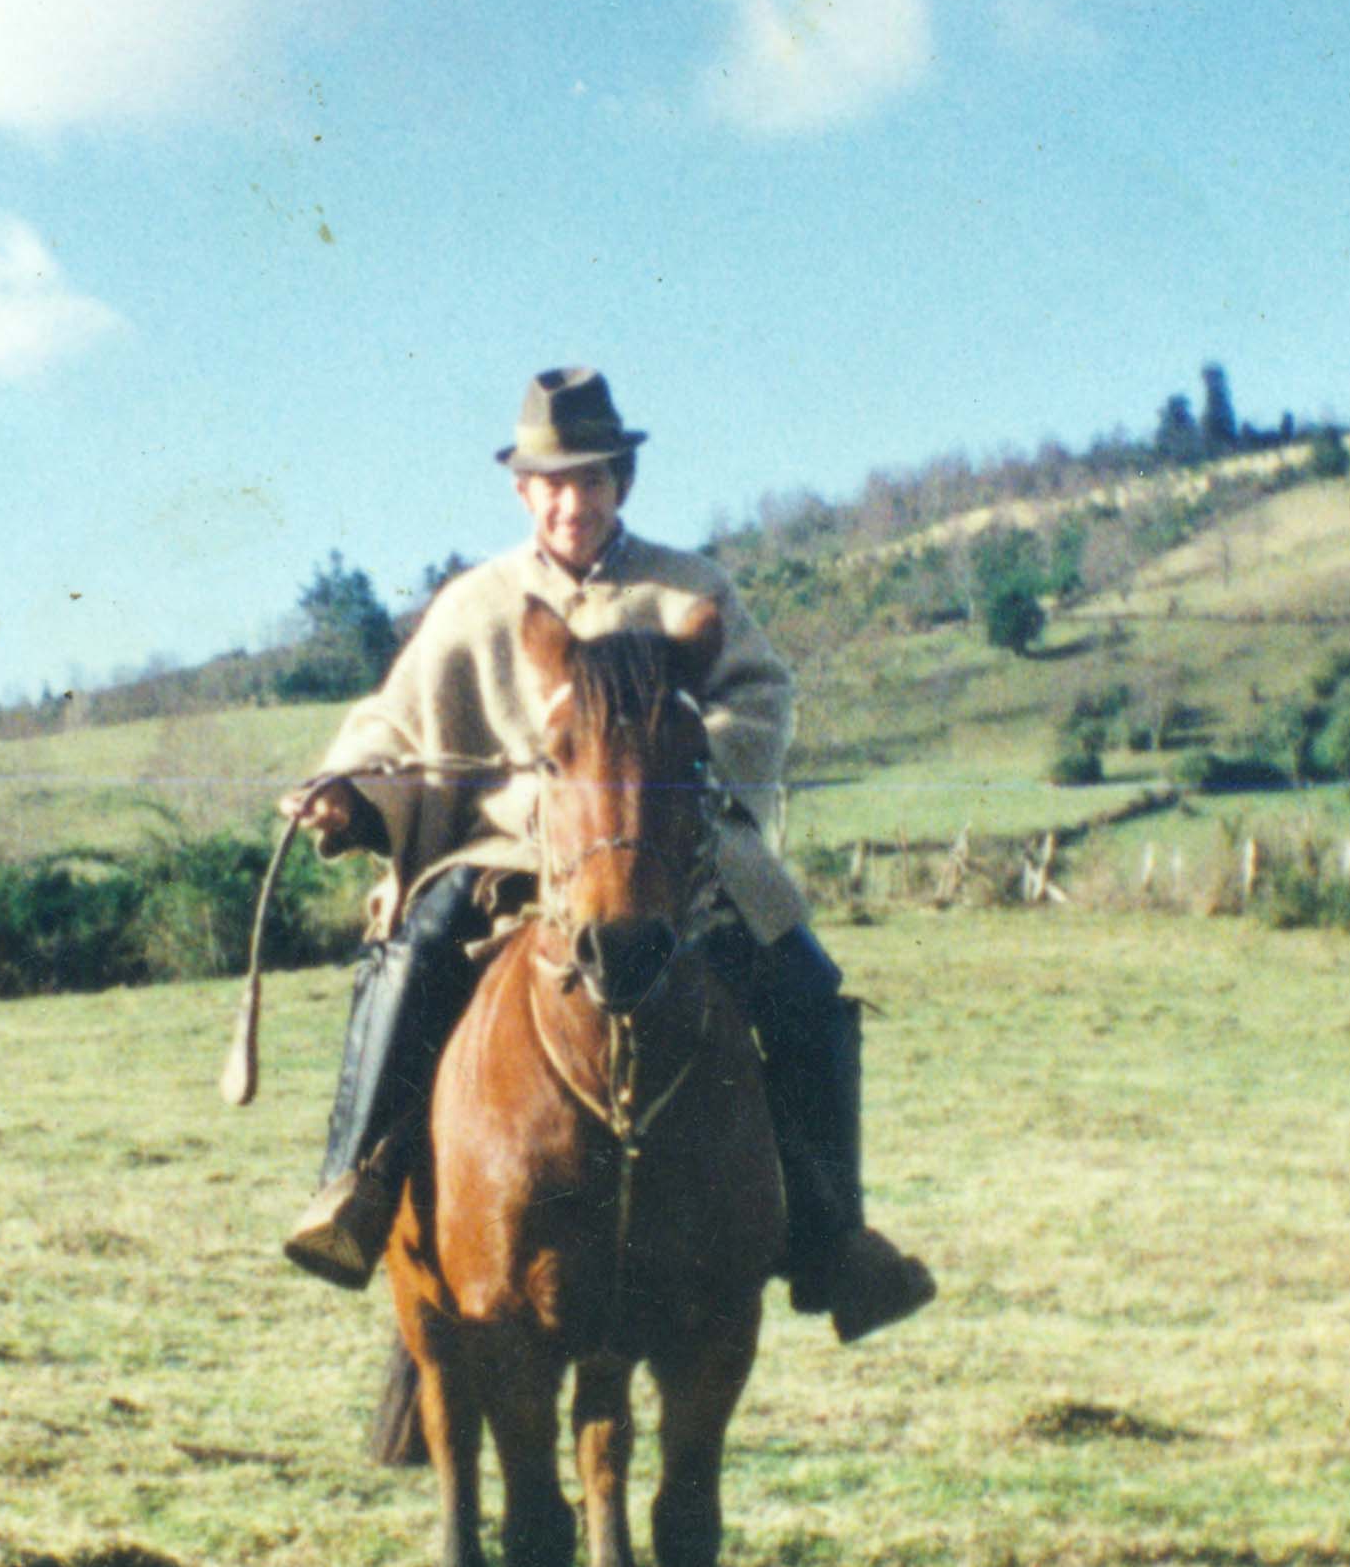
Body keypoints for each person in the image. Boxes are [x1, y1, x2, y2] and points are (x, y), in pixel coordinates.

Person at [278, 366, 935, 1343]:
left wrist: (681, 753)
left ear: (620, 481)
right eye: (549, 481)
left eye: (588, 479)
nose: (569, 500)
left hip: (669, 851)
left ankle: (833, 1234)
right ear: (520, 490)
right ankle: (359, 1189)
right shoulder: (474, 605)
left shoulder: (687, 592)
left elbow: (761, 697)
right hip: (506, 848)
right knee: (412, 952)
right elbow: (393, 723)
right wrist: (348, 790)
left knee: (801, 980)